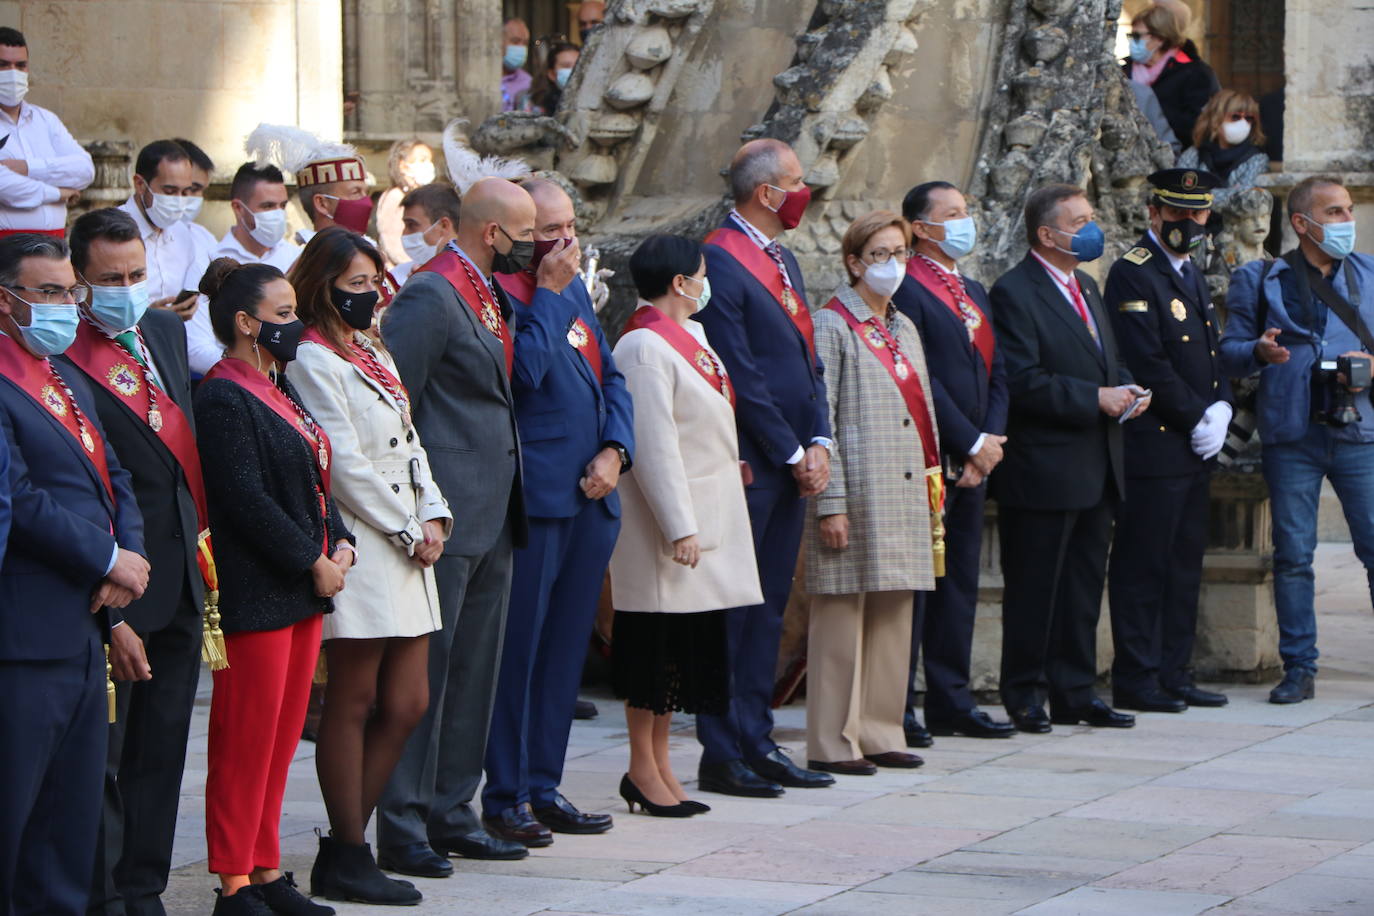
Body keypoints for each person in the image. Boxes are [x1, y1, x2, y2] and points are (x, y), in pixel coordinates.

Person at [289, 228, 450, 905]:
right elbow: (343, 462)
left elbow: (410, 440)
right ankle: (348, 849)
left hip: (409, 533)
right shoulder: (310, 356)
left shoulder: (371, 347)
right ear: (322, 284)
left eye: (374, 282)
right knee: (353, 698)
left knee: (408, 699)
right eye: (356, 285)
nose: (371, 295)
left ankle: (351, 839)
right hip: (364, 531)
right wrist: (408, 525)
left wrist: (434, 512)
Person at [377, 177, 530, 875]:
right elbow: (395, 405)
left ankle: (452, 808)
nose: (538, 247)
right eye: (527, 234)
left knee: (474, 672)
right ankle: (403, 819)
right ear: (491, 232)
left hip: (495, 505)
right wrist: (417, 507)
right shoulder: (431, 293)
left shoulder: (487, 288)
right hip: (447, 507)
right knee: (426, 675)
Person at [58, 208, 207, 916]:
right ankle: (107, 893)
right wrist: (110, 598)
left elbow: (178, 462)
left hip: (180, 575)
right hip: (119, 584)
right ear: (79, 281)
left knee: (164, 748)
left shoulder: (164, 331)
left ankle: (145, 885)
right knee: (108, 761)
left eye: (137, 274)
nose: (126, 288)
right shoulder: (65, 358)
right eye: (109, 279)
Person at [195, 257, 354, 916]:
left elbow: (313, 467)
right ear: (245, 322)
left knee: (282, 737)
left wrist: (339, 538)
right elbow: (243, 498)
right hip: (259, 588)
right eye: (284, 315)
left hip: (301, 584)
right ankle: (233, 878)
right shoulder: (223, 393)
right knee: (245, 738)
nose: (295, 326)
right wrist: (308, 558)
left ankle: (264, 868)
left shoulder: (277, 384)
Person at [0, 233, 148, 916]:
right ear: (7, 302)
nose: (67, 305)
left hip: (85, 627)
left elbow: (113, 473)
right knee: (15, 817)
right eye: (51, 293)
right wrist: (104, 556)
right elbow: (21, 499)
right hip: (26, 634)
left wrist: (129, 560)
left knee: (67, 824)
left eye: (71, 292)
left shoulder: (58, 375)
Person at [484, 179, 632, 844]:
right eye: (551, 229)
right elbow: (526, 376)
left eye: (571, 226)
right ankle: (505, 791)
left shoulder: (570, 283)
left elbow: (610, 375)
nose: (566, 242)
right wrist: (544, 292)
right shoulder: (509, 292)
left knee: (565, 650)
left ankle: (544, 783)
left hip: (591, 493)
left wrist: (616, 449)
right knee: (522, 650)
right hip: (538, 495)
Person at [693, 138, 834, 798]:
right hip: (755, 460)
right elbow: (740, 371)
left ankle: (757, 734)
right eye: (796, 182)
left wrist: (821, 438)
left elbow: (806, 361)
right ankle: (722, 748)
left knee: (770, 607)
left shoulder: (783, 258)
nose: (806, 191)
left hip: (794, 457)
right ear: (766, 192)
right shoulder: (722, 258)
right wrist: (788, 448)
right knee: (736, 610)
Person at [990, 183, 1150, 733]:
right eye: (1079, 220)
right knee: (1037, 587)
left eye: (1090, 216)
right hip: (1044, 470)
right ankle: (1025, 692)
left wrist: (1127, 388)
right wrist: (1094, 399)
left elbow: (1108, 361)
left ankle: (1075, 691)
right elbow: (1023, 380)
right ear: (1047, 234)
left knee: (1083, 587)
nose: (1091, 226)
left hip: (1098, 464)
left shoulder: (1085, 283)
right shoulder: (1015, 291)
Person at [609, 234, 759, 815]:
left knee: (678, 655)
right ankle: (642, 768)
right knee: (653, 650)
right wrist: (678, 525)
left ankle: (662, 764)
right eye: (700, 273)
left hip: (708, 508)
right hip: (665, 526)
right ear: (680, 283)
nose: (705, 282)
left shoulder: (689, 336)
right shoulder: (644, 346)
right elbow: (654, 444)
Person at [1220, 176, 1374, 705]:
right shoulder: (1260, 277)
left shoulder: (1371, 273)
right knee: (1292, 555)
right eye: (1334, 212)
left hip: (1359, 431)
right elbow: (1230, 350)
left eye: (1349, 209)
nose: (1346, 220)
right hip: (1291, 433)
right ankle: (1299, 669)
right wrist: (1258, 352)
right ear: (1303, 224)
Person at [803, 211, 935, 775]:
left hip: (903, 489)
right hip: (855, 491)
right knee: (841, 615)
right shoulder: (831, 324)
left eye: (901, 252)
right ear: (855, 262)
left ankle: (882, 728)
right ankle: (833, 739)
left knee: (894, 611)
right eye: (881, 254)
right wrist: (830, 501)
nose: (894, 265)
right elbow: (821, 418)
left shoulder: (903, 325)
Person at [1105, 169, 1233, 713]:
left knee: (1184, 564)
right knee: (1144, 564)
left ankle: (1175, 672)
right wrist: (1198, 415)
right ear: (1154, 212)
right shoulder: (1133, 273)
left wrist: (1223, 405)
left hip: (1194, 445)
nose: (1188, 223)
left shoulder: (1192, 273)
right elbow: (1147, 360)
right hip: (1157, 443)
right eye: (1177, 213)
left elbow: (1210, 351)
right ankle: (1137, 677)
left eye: (1197, 213)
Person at [893, 181, 1014, 743]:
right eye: (954, 213)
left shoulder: (973, 288)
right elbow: (922, 375)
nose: (966, 221)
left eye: (967, 211)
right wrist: (966, 442)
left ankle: (952, 697)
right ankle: (900, 703)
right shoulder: (908, 287)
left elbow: (997, 370)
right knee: (921, 584)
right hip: (933, 453)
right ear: (921, 227)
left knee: (961, 580)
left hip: (978, 455)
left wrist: (989, 441)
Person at [185, 163, 301, 376]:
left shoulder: (296, 257)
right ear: (238, 208)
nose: (278, 214)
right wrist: (252, 371)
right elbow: (197, 348)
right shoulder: (207, 261)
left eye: (282, 206)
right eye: (267, 206)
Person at [0, 28, 92, 236]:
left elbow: (84, 169)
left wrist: (27, 168)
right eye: (3, 65)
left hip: (54, 245)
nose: (13, 73)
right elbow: (4, 185)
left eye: (20, 66)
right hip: (7, 249)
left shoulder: (45, 120)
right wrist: (59, 193)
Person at [244, 124, 373, 248]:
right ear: (322, 203)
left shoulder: (372, 251)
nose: (366, 202)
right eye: (355, 192)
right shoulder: (302, 262)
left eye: (365, 192)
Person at [119, 140, 203, 321]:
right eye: (169, 191)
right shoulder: (110, 231)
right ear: (140, 184)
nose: (179, 200)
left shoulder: (182, 234)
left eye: (185, 192)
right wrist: (148, 317)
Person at [1123, 3, 1219, 150]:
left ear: (1160, 38)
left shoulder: (1196, 74)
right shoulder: (1122, 72)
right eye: (1131, 35)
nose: (1132, 41)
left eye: (1138, 36)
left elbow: (1200, 125)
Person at [1177, 90, 1269, 224]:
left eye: (1249, 119)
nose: (1243, 124)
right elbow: (1179, 193)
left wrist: (1198, 194)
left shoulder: (1257, 159)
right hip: (1195, 231)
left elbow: (1243, 201)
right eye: (1235, 117)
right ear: (1216, 119)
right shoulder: (1195, 154)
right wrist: (1228, 193)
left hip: (1236, 235)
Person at [376, 140, 435, 268]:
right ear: (403, 166)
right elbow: (393, 244)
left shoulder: (420, 197)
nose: (428, 165)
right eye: (422, 160)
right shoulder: (395, 197)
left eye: (430, 160)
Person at [395, 183, 460, 286]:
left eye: (412, 225)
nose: (404, 233)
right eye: (405, 225)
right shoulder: (397, 276)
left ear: (444, 225)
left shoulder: (470, 276)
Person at [172, 138, 219, 265]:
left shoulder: (205, 239)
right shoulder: (130, 236)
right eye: (192, 188)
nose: (197, 197)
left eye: (201, 190)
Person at [519, 42, 578, 115]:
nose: (574, 71)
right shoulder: (531, 103)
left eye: (577, 66)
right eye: (566, 66)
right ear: (552, 74)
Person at [501, 19, 532, 112]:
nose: (521, 47)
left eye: (525, 43)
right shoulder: (480, 80)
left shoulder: (528, 83)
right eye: (515, 41)